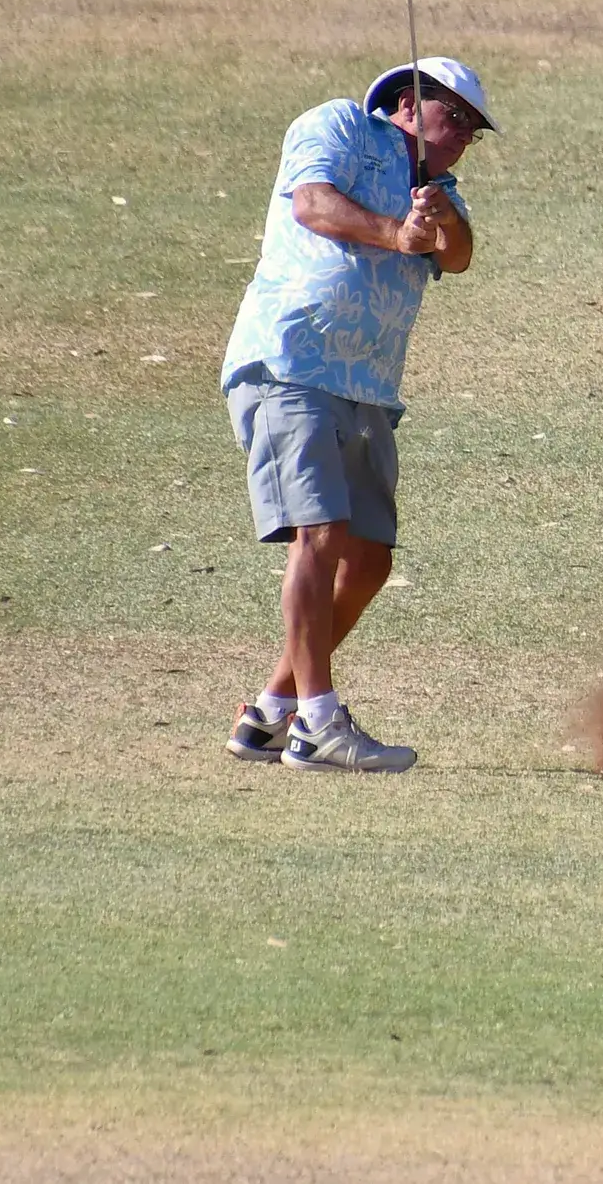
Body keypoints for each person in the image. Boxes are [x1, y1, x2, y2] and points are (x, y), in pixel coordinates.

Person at [217, 57, 497, 772]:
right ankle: (318, 724)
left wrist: (434, 225)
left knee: (368, 559)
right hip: (292, 362)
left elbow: (460, 257)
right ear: (408, 102)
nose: (463, 134)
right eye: (453, 116)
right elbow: (312, 202)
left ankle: (270, 712)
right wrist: (396, 232)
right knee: (319, 533)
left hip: (368, 387)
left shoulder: (438, 189)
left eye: (473, 128)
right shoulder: (338, 124)